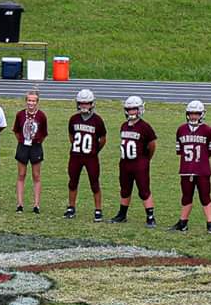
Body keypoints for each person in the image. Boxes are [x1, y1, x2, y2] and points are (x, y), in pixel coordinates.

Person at [109, 96, 158, 228]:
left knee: (144, 190)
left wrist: (146, 159)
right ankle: (122, 214)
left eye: (134, 109)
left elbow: (152, 145)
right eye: (129, 110)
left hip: (139, 163)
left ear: (140, 109)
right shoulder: (124, 125)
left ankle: (150, 216)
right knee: (125, 189)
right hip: (125, 162)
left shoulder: (145, 127)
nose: (131, 112)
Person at [172, 100, 211, 233]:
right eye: (191, 114)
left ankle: (210, 224)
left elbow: (210, 151)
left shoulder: (208, 130)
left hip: (202, 170)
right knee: (186, 196)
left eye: (196, 114)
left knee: (205, 196)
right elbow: (180, 151)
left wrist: (200, 161)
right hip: (186, 169)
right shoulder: (181, 130)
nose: (193, 117)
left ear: (202, 114)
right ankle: (183, 222)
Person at [64, 89, 107, 220]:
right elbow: (71, 136)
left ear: (92, 104)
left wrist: (94, 150)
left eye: (87, 103)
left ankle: (98, 209)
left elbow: (103, 138)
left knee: (94, 183)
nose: (84, 106)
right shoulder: (74, 119)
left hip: (91, 157)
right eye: (82, 103)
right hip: (76, 156)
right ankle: (71, 207)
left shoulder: (97, 120)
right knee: (72, 182)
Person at [12, 91, 49, 214]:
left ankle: (36, 205)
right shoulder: (20, 115)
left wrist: (36, 142)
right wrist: (23, 140)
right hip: (23, 146)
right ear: (26, 101)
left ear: (37, 102)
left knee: (36, 175)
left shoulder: (41, 116)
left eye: (33, 101)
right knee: (21, 174)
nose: (31, 103)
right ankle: (19, 204)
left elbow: (44, 133)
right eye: (29, 100)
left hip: (36, 147)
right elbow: (16, 131)